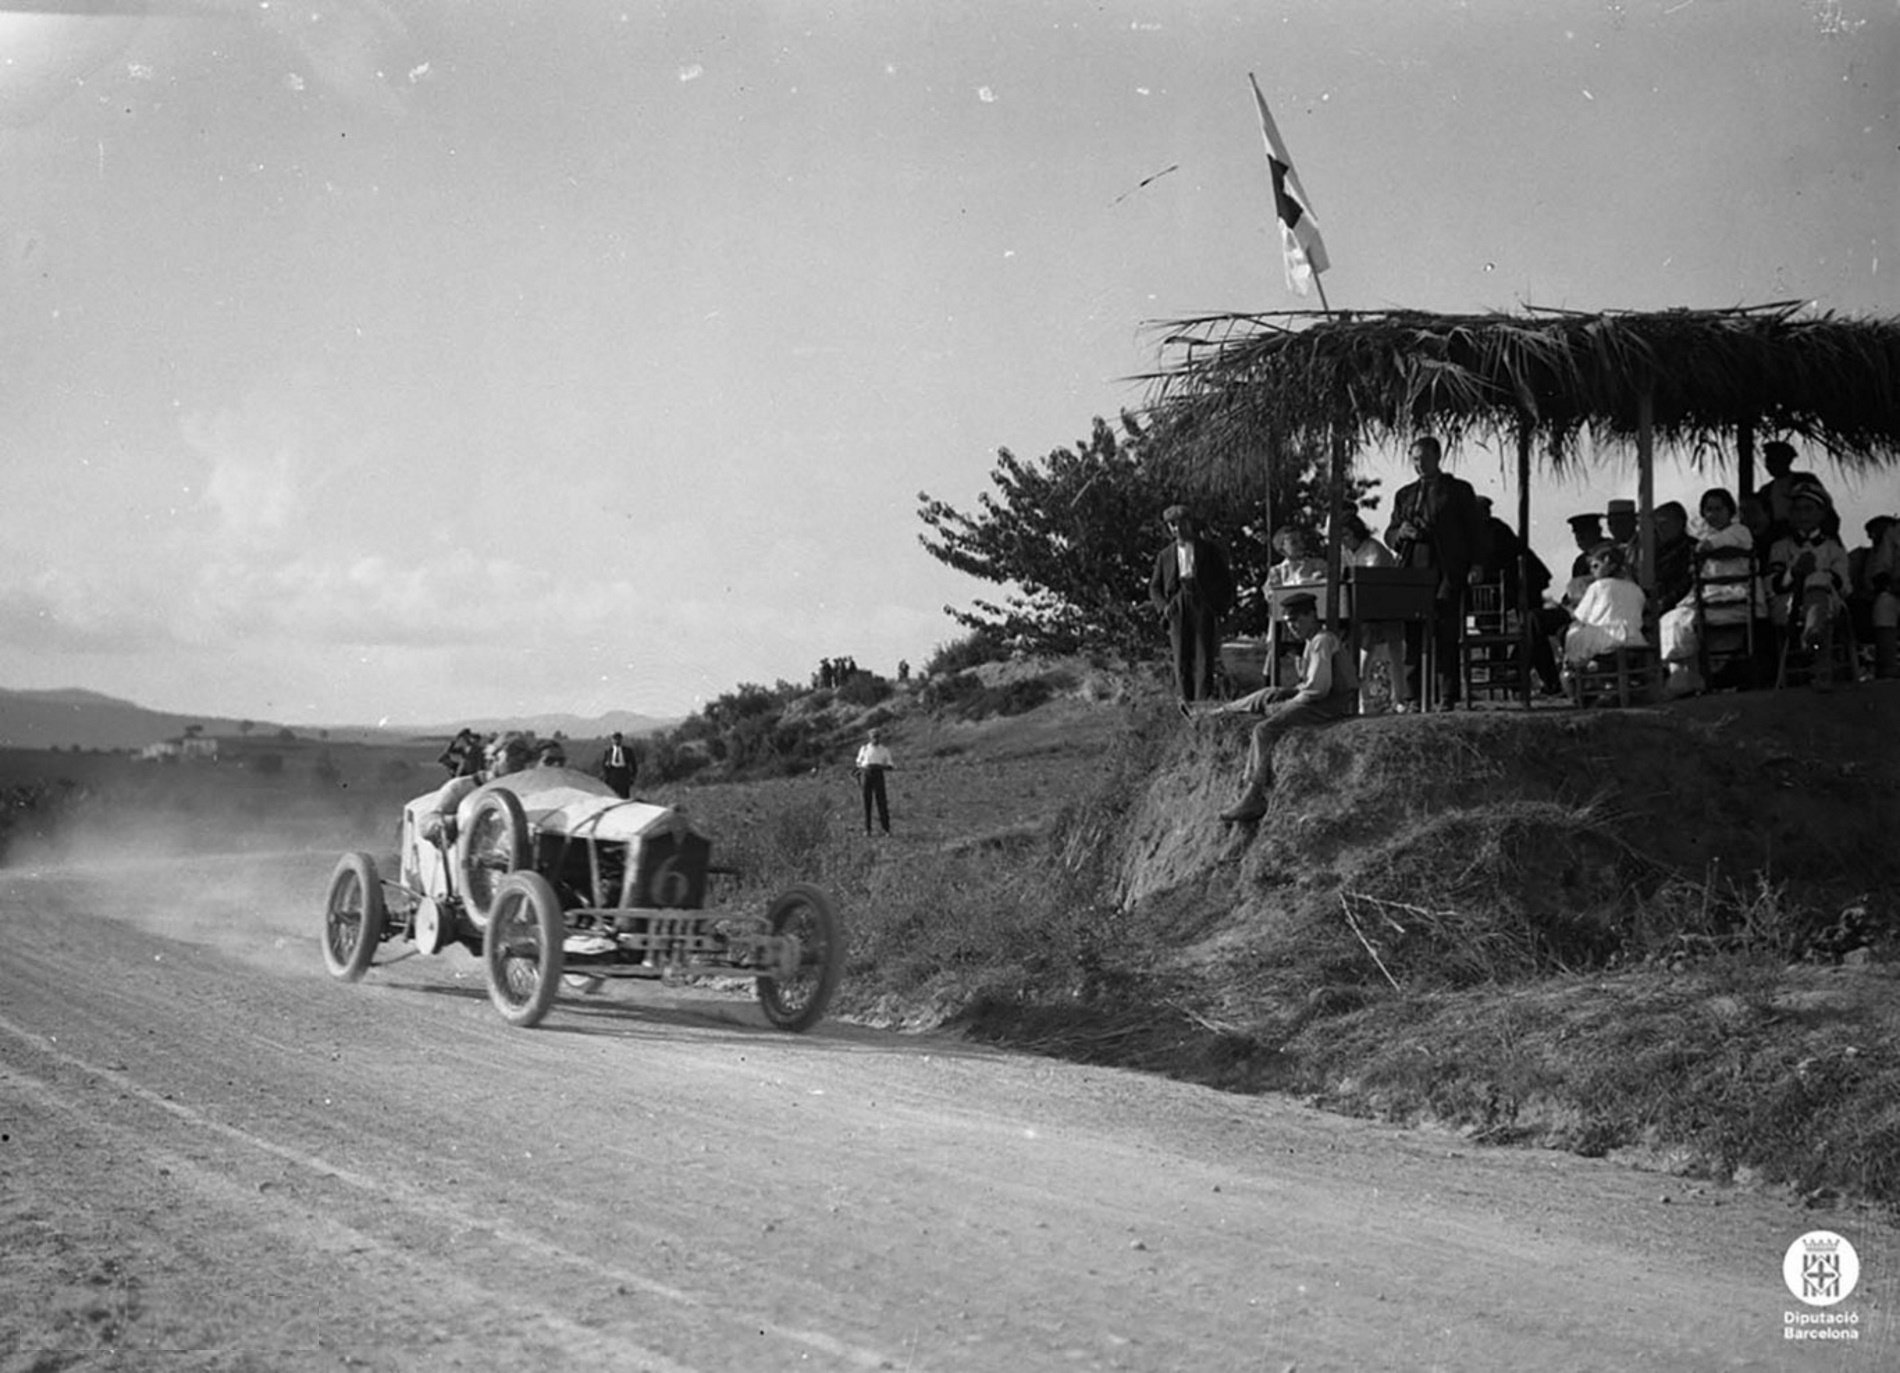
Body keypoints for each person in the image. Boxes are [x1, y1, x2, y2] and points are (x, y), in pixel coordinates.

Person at [1208, 593, 1358, 823]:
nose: (1293, 626)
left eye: (1297, 620)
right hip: (1319, 698)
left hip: (1330, 704)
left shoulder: (1322, 641)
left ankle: (1255, 794)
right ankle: (1218, 712)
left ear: (1311, 615)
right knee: (1270, 693)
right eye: (1289, 622)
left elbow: (1318, 690)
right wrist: (1286, 695)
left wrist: (1286, 705)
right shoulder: (1311, 643)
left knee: (1264, 730)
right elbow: (1309, 684)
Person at [1385, 435, 1483, 708]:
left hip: (1446, 569)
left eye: (1425, 458)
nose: (1420, 465)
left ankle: (1447, 696)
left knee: (1446, 634)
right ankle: (1414, 697)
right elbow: (1390, 532)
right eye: (1415, 459)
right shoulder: (1404, 495)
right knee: (1413, 636)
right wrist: (1400, 533)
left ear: (1437, 458)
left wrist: (1476, 564)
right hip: (1413, 571)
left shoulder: (1457, 490)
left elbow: (1475, 530)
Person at [1657, 487, 1753, 694]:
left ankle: (1685, 679)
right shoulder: (1706, 540)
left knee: (1678, 620)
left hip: (1732, 598)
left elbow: (1713, 545)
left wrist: (1702, 550)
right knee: (1672, 620)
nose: (1713, 515)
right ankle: (1686, 675)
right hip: (1710, 599)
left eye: (1718, 509)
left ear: (1730, 511)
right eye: (1708, 510)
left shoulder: (1739, 532)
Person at [1767, 479, 1850, 690]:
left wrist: (1821, 577)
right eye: (1796, 510)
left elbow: (1845, 586)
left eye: (1808, 509)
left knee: (1818, 581)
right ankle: (1814, 638)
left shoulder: (1833, 548)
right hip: (1788, 606)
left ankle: (1813, 631)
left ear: (1821, 514)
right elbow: (1770, 585)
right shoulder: (1780, 548)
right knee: (1813, 582)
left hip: (1829, 604)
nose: (1802, 515)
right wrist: (1793, 573)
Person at [1149, 504, 1235, 705]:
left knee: (1204, 656)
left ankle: (1203, 703)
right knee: (1181, 657)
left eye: (1180, 523)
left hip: (1203, 601)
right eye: (1172, 525)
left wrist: (1219, 607)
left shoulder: (1209, 549)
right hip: (1177, 604)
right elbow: (1154, 587)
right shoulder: (1165, 555)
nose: (1177, 529)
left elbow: (1226, 581)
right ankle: (1185, 703)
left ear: (1189, 523)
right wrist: (1164, 607)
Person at [1334, 511, 1409, 715]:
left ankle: (1399, 699)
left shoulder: (1373, 548)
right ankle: (1362, 701)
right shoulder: (1344, 552)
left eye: (1347, 535)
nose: (1344, 541)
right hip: (1363, 611)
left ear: (1356, 532)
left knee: (1395, 653)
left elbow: (1370, 577)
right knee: (1361, 658)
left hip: (1387, 604)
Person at [1563, 543, 1647, 665]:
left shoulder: (1598, 586)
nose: (1592, 571)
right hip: (1634, 638)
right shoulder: (1636, 589)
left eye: (1596, 566)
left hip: (1606, 639)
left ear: (1608, 563)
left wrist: (1570, 611)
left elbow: (1580, 616)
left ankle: (1573, 669)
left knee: (1574, 630)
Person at [1867, 515, 1900, 679]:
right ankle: (1888, 667)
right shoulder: (1894, 532)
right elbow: (1881, 567)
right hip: (1897, 592)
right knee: (1884, 604)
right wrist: (1889, 584)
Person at [854, 727, 894, 835]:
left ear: (880, 737)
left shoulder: (884, 750)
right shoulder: (864, 749)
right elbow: (858, 762)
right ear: (870, 738)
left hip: (878, 774)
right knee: (867, 802)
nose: (875, 739)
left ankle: (886, 829)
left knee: (881, 802)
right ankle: (867, 829)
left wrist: (879, 766)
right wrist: (863, 768)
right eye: (873, 737)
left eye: (877, 736)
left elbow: (890, 765)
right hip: (867, 774)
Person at [1562, 513, 1605, 608]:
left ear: (1598, 531)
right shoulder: (1581, 561)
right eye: (1577, 533)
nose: (1579, 538)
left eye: (1584, 532)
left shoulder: (1610, 554)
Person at [599, 731, 635, 799]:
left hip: (623, 773)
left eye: (618, 739)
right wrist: (606, 774)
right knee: (612, 794)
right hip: (613, 773)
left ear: (621, 740)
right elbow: (604, 764)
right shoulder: (609, 751)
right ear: (612, 740)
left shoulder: (627, 750)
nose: (617, 741)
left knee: (624, 795)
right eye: (615, 739)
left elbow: (633, 764)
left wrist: (632, 776)